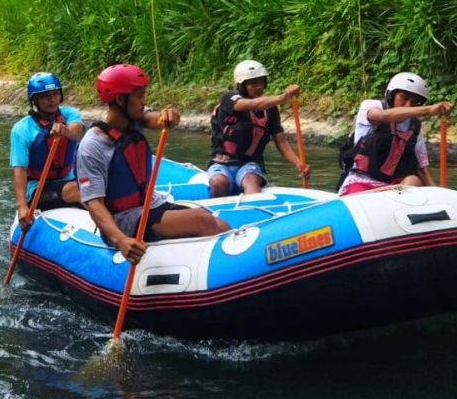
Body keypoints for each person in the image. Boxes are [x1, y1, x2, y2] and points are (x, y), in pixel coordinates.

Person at [77, 64, 231, 264]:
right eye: (139, 96)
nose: (144, 101)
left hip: (150, 205)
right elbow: (94, 203)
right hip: (123, 220)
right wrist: (120, 239)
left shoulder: (133, 119)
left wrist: (168, 117)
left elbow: (153, 119)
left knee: (221, 225)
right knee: (201, 220)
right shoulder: (92, 145)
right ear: (120, 99)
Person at [336, 71, 453, 196]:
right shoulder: (372, 106)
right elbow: (382, 116)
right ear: (392, 95)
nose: (408, 106)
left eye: (414, 102)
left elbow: (421, 168)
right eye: (404, 98)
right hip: (361, 182)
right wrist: (429, 109)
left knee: (414, 180)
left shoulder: (414, 127)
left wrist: (437, 194)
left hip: (393, 187)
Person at [207, 60, 310, 197]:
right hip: (221, 163)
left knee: (251, 182)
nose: (260, 86)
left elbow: (281, 142)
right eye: (254, 83)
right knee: (219, 182)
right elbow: (254, 105)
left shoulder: (270, 109)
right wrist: (283, 97)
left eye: (262, 82)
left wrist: (299, 163)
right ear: (242, 85)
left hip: (249, 163)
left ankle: (251, 210)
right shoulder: (229, 98)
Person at [9, 72, 85, 229]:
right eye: (45, 96)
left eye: (55, 94)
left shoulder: (69, 114)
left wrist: (64, 131)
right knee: (77, 190)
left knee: (95, 185)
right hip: (37, 189)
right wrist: (22, 207)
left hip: (67, 179)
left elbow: (77, 132)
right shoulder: (21, 130)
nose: (52, 99)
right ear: (34, 100)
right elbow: (20, 171)